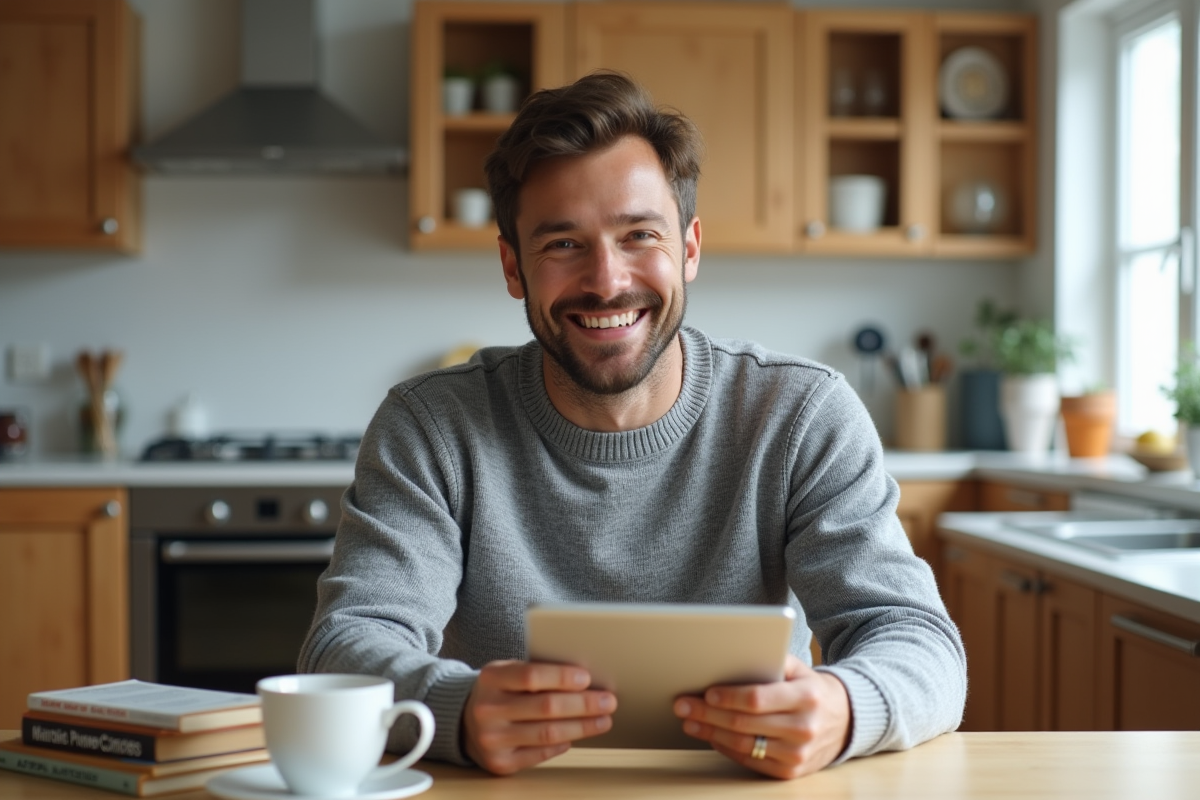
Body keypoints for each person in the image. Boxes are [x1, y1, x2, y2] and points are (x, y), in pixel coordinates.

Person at [298, 71, 965, 781]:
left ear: (690, 248)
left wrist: (845, 706)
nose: (606, 280)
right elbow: (346, 642)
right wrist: (455, 707)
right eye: (562, 244)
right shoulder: (431, 425)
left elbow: (917, 640)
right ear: (511, 265)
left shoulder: (801, 415)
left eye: (639, 234)